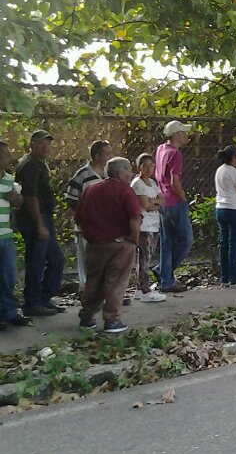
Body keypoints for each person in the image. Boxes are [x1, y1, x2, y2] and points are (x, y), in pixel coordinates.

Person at [75, 157, 142, 334]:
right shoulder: (125, 191)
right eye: (128, 170)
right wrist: (134, 240)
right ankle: (112, 320)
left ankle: (87, 317)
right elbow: (135, 217)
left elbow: (79, 217)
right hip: (120, 243)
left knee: (93, 281)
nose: (131, 173)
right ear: (120, 173)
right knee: (116, 282)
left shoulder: (90, 189)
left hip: (95, 244)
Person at [15, 130, 66, 317]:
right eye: (41, 143)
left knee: (56, 260)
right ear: (32, 145)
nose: (46, 147)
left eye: (48, 143)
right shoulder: (29, 165)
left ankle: (44, 297)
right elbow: (30, 197)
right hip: (35, 219)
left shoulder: (39, 164)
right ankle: (32, 302)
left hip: (44, 217)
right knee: (36, 261)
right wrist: (39, 224)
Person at [66, 139, 113, 287]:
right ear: (97, 155)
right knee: (87, 259)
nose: (109, 157)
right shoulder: (83, 175)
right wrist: (84, 217)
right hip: (87, 226)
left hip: (105, 226)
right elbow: (72, 199)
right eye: (107, 153)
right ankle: (87, 291)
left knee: (104, 259)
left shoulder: (108, 174)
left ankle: (103, 291)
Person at [154, 120, 193, 293]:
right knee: (185, 241)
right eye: (183, 132)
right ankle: (164, 273)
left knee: (167, 241)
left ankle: (165, 278)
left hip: (163, 200)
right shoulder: (176, 154)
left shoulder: (161, 149)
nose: (186, 135)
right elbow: (174, 180)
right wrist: (183, 198)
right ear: (176, 134)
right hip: (175, 201)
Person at [0, 141, 32, 330]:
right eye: (5, 154)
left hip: (5, 235)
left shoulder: (9, 180)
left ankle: (9, 312)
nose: (9, 156)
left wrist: (16, 199)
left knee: (9, 275)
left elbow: (19, 202)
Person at [129, 154, 167, 303]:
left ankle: (139, 288)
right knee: (144, 258)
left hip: (154, 224)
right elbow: (145, 205)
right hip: (144, 226)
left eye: (152, 165)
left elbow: (161, 200)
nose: (150, 168)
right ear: (139, 167)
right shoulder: (137, 184)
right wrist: (153, 203)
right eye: (146, 165)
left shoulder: (152, 182)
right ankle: (145, 289)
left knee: (147, 256)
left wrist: (154, 202)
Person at [213, 145, 236, 288]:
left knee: (224, 243)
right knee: (234, 244)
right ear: (234, 157)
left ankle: (225, 278)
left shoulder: (219, 170)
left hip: (221, 208)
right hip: (235, 208)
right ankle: (235, 279)